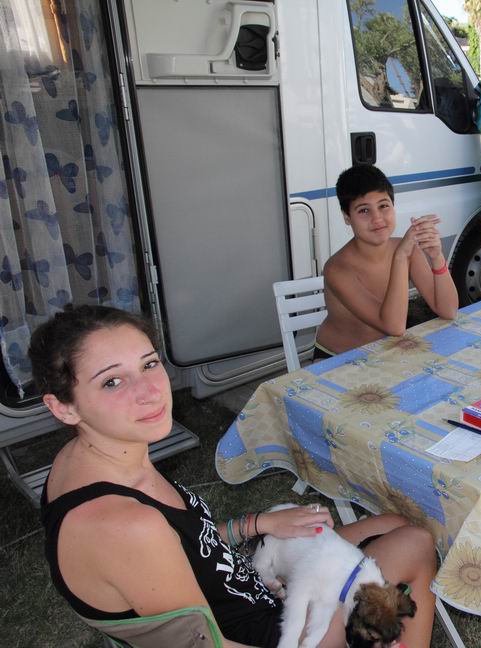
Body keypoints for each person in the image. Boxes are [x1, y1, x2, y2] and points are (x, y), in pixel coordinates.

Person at [33, 305, 436, 648]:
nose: (150, 391)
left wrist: (257, 524)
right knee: (415, 543)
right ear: (63, 407)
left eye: (149, 364)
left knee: (393, 523)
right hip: (270, 631)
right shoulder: (125, 525)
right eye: (112, 381)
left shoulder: (89, 459)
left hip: (253, 585)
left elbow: (187, 544)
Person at [314, 164, 459, 359]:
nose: (377, 218)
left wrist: (437, 257)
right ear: (347, 217)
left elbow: (448, 310)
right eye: (364, 210)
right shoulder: (337, 269)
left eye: (383, 206)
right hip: (337, 359)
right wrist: (400, 257)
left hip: (385, 351)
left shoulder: (407, 250)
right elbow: (394, 326)